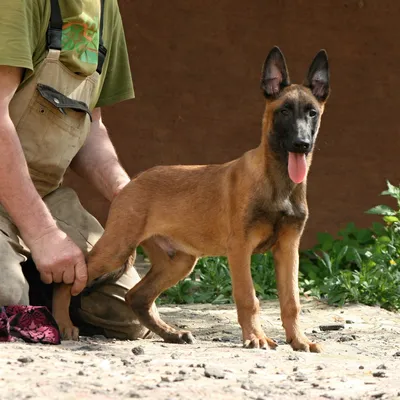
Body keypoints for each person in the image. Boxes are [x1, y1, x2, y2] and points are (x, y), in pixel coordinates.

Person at [0, 0, 153, 340]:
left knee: (130, 312)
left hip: (43, 193)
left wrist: (139, 204)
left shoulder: (104, 8)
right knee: (6, 297)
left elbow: (89, 126)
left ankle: (37, 279)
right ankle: (24, 275)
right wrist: (43, 235)